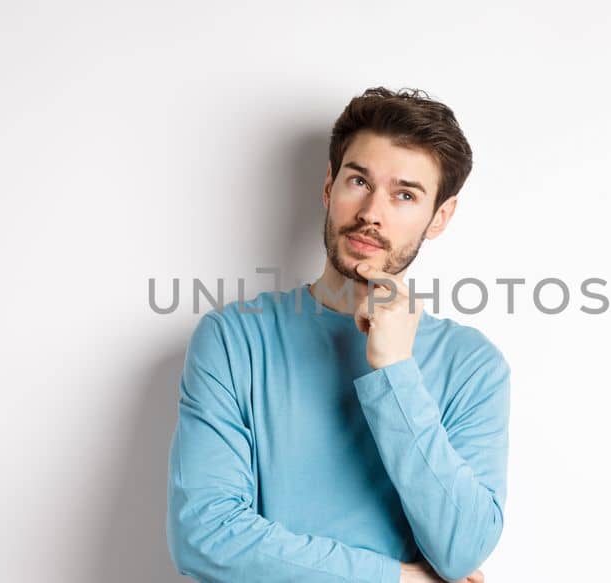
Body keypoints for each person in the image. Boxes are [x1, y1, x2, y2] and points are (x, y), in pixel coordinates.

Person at [166, 87, 509, 582]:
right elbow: (206, 538)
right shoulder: (234, 339)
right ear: (329, 186)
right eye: (358, 181)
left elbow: (464, 548)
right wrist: (401, 579)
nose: (372, 212)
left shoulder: (473, 365)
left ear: (440, 217)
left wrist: (394, 370)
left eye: (404, 195)